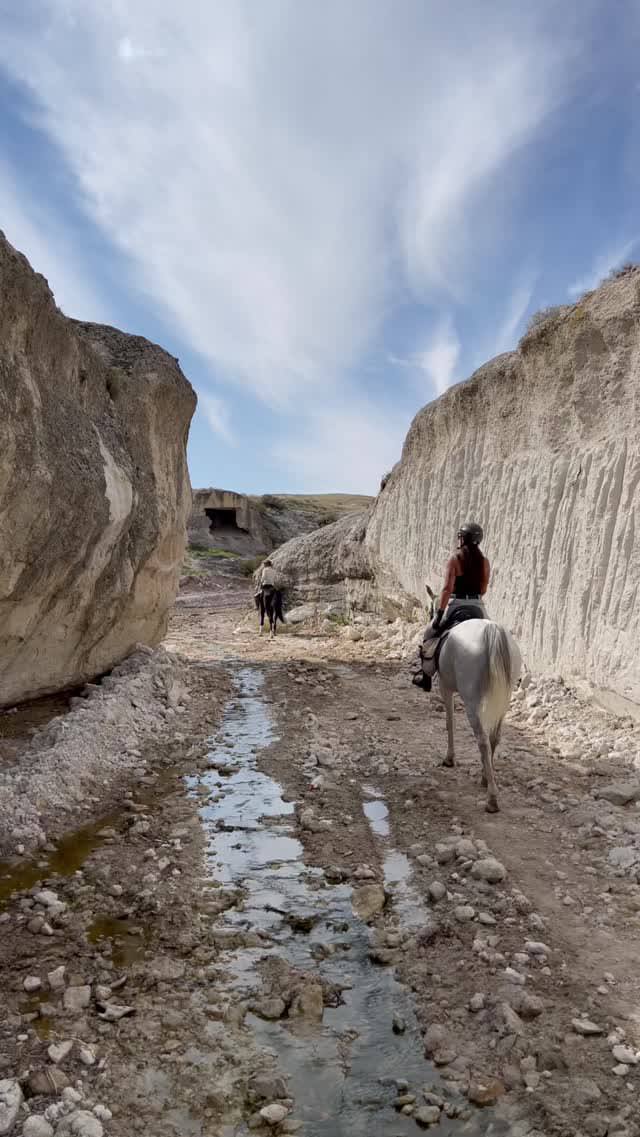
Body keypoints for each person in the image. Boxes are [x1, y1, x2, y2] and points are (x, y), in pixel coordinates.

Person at [413, 522, 490, 691]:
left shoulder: (455, 559)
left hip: (456, 604)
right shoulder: (484, 562)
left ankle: (426, 677)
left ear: (463, 539)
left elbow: (447, 588)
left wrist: (440, 613)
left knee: (429, 634)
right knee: (492, 638)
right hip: (478, 605)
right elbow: (483, 589)